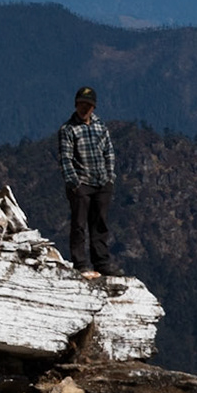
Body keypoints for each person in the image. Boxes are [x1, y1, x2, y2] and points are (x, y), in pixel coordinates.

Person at [57, 84, 122, 280]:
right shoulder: (68, 130)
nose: (84, 108)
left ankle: (101, 262)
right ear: (76, 105)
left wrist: (110, 177)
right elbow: (65, 159)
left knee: (100, 224)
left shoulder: (100, 126)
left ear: (94, 107)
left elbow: (108, 152)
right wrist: (74, 183)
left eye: (88, 105)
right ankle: (80, 263)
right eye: (81, 104)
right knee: (79, 225)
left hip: (102, 182)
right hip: (81, 184)